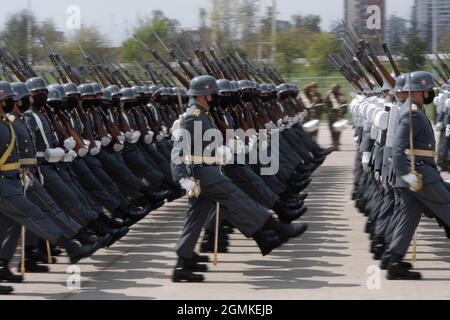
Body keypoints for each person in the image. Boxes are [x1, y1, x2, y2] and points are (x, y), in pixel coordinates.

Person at [171, 75, 308, 283]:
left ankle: (183, 262)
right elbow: (178, 150)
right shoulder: (193, 115)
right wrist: (181, 177)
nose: (216, 97)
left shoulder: (201, 114)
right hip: (202, 173)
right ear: (204, 95)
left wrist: (224, 150)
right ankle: (276, 228)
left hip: (205, 168)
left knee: (196, 217)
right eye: (213, 94)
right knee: (238, 198)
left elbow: (204, 144)